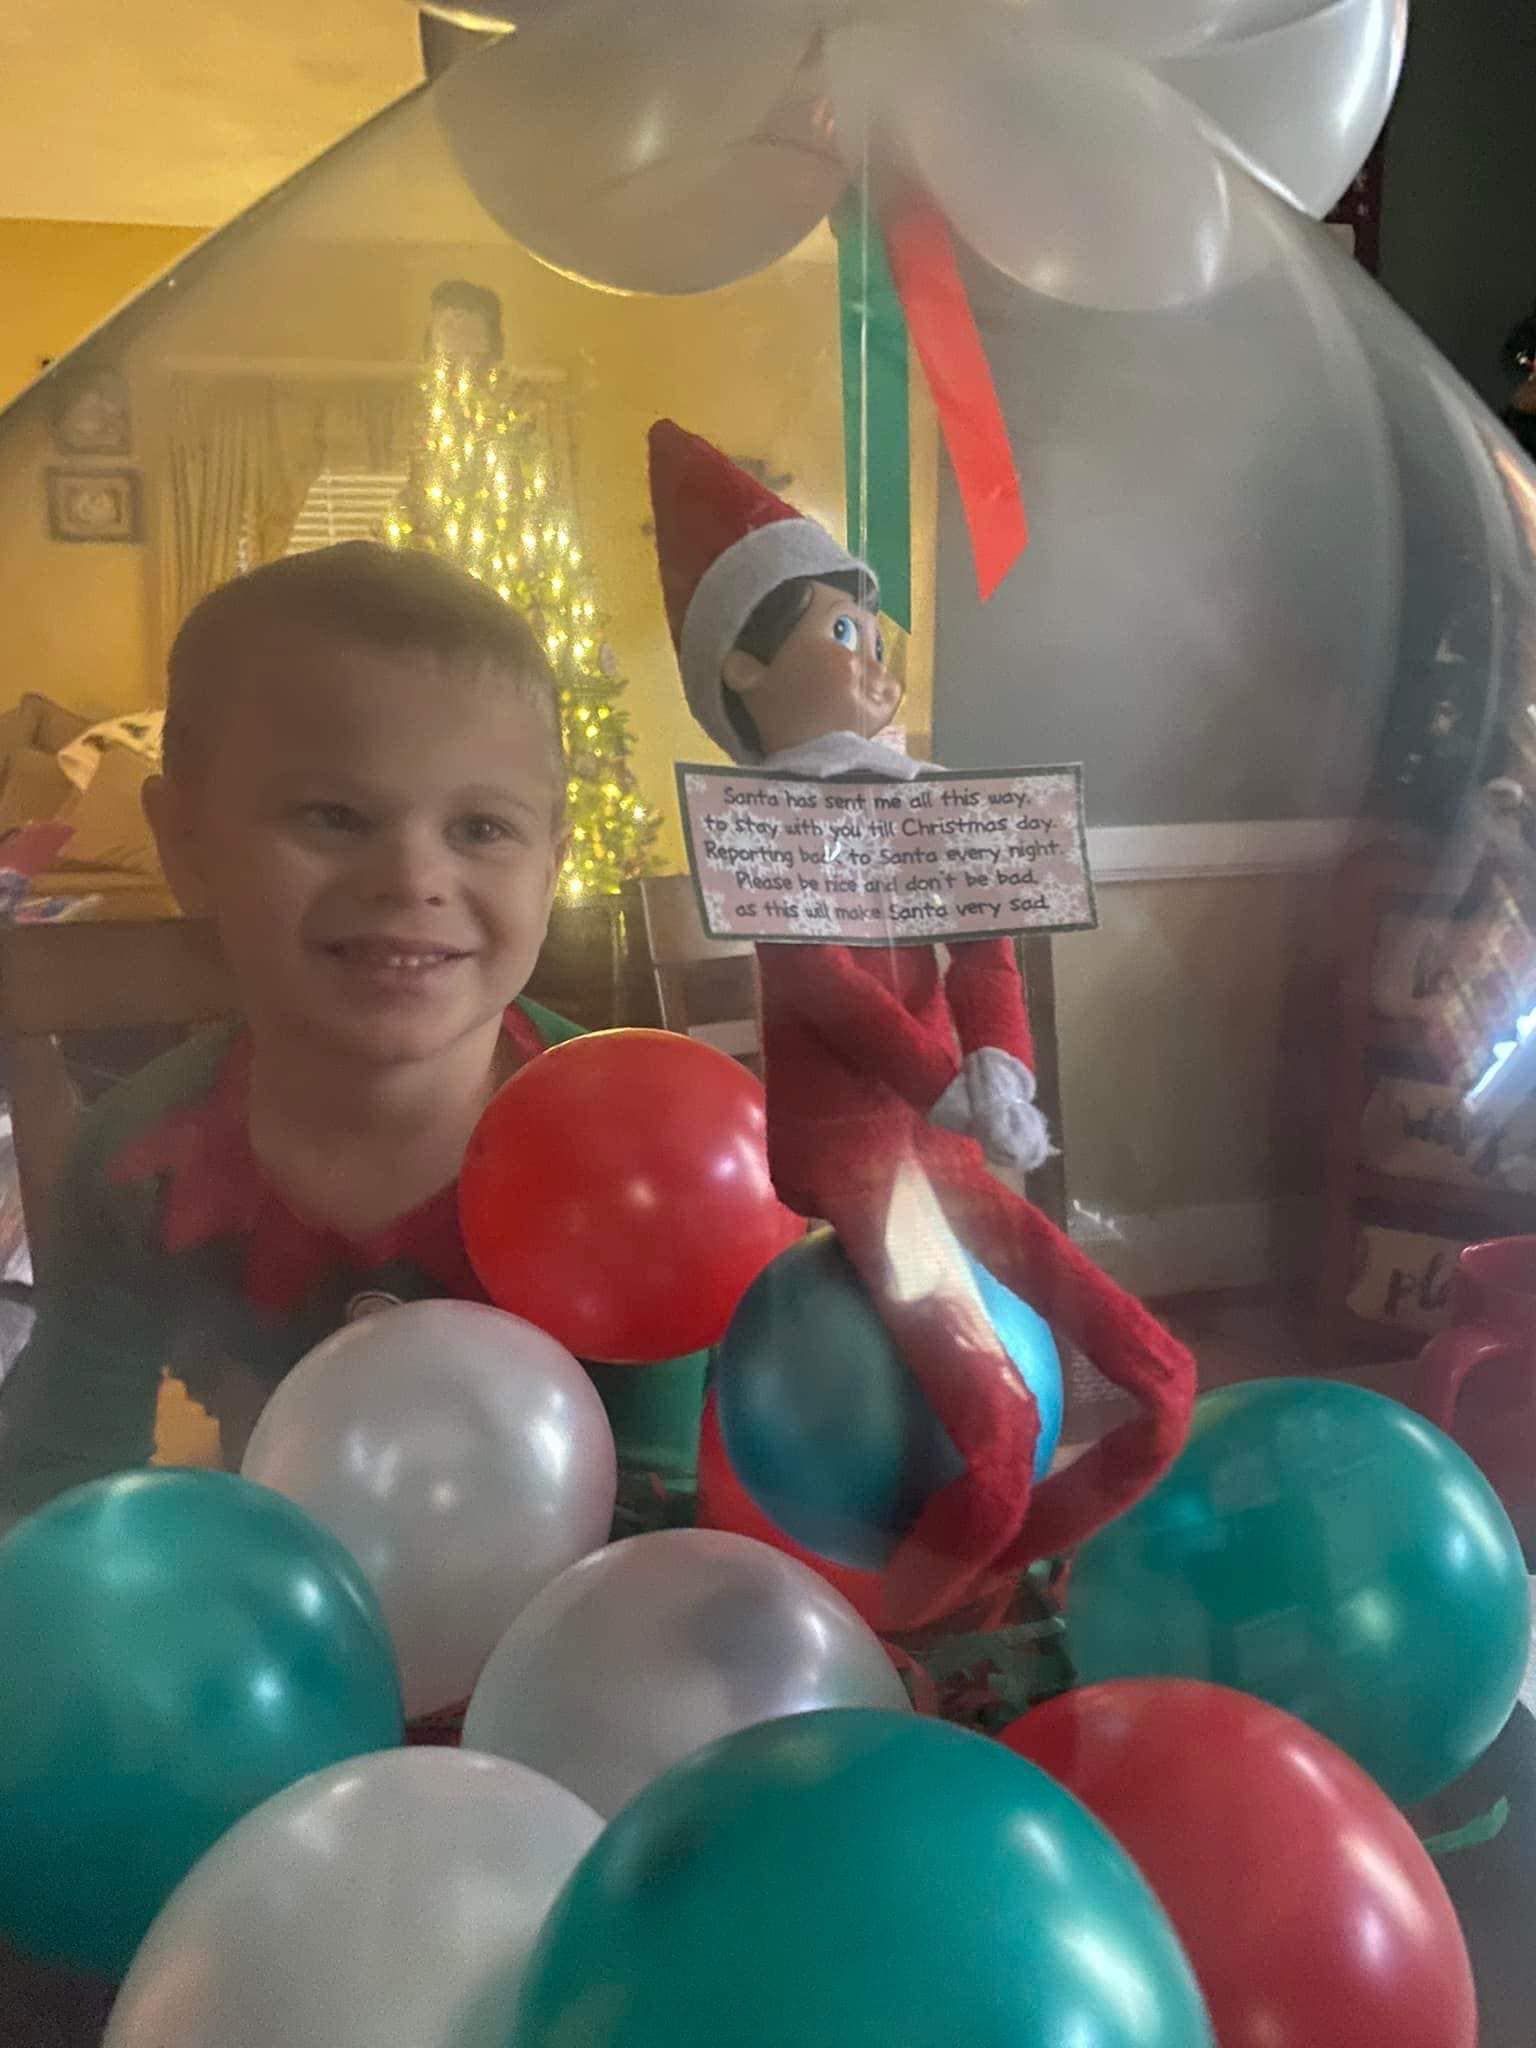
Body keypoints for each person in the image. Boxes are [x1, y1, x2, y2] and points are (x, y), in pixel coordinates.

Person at [0, 541, 703, 1535]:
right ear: (186, 841)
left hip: (570, 1637)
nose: (411, 875)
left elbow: (658, 1513)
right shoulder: (138, 1165)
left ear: (553, 862)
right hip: (267, 1634)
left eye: (481, 829)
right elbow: (60, 1478)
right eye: (334, 814)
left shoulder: (638, 1155)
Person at [649, 420, 1195, 1635]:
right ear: (745, 670)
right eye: (843, 632)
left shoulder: (927, 801)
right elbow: (817, 981)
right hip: (855, 1152)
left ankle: (994, 1581)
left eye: (872, 635)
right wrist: (944, 1075)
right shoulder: (767, 826)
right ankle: (900, 1634)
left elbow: (988, 948)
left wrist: (1001, 1061)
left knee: (1163, 1379)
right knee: (996, 1425)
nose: (875, 663)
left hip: (943, 1143)